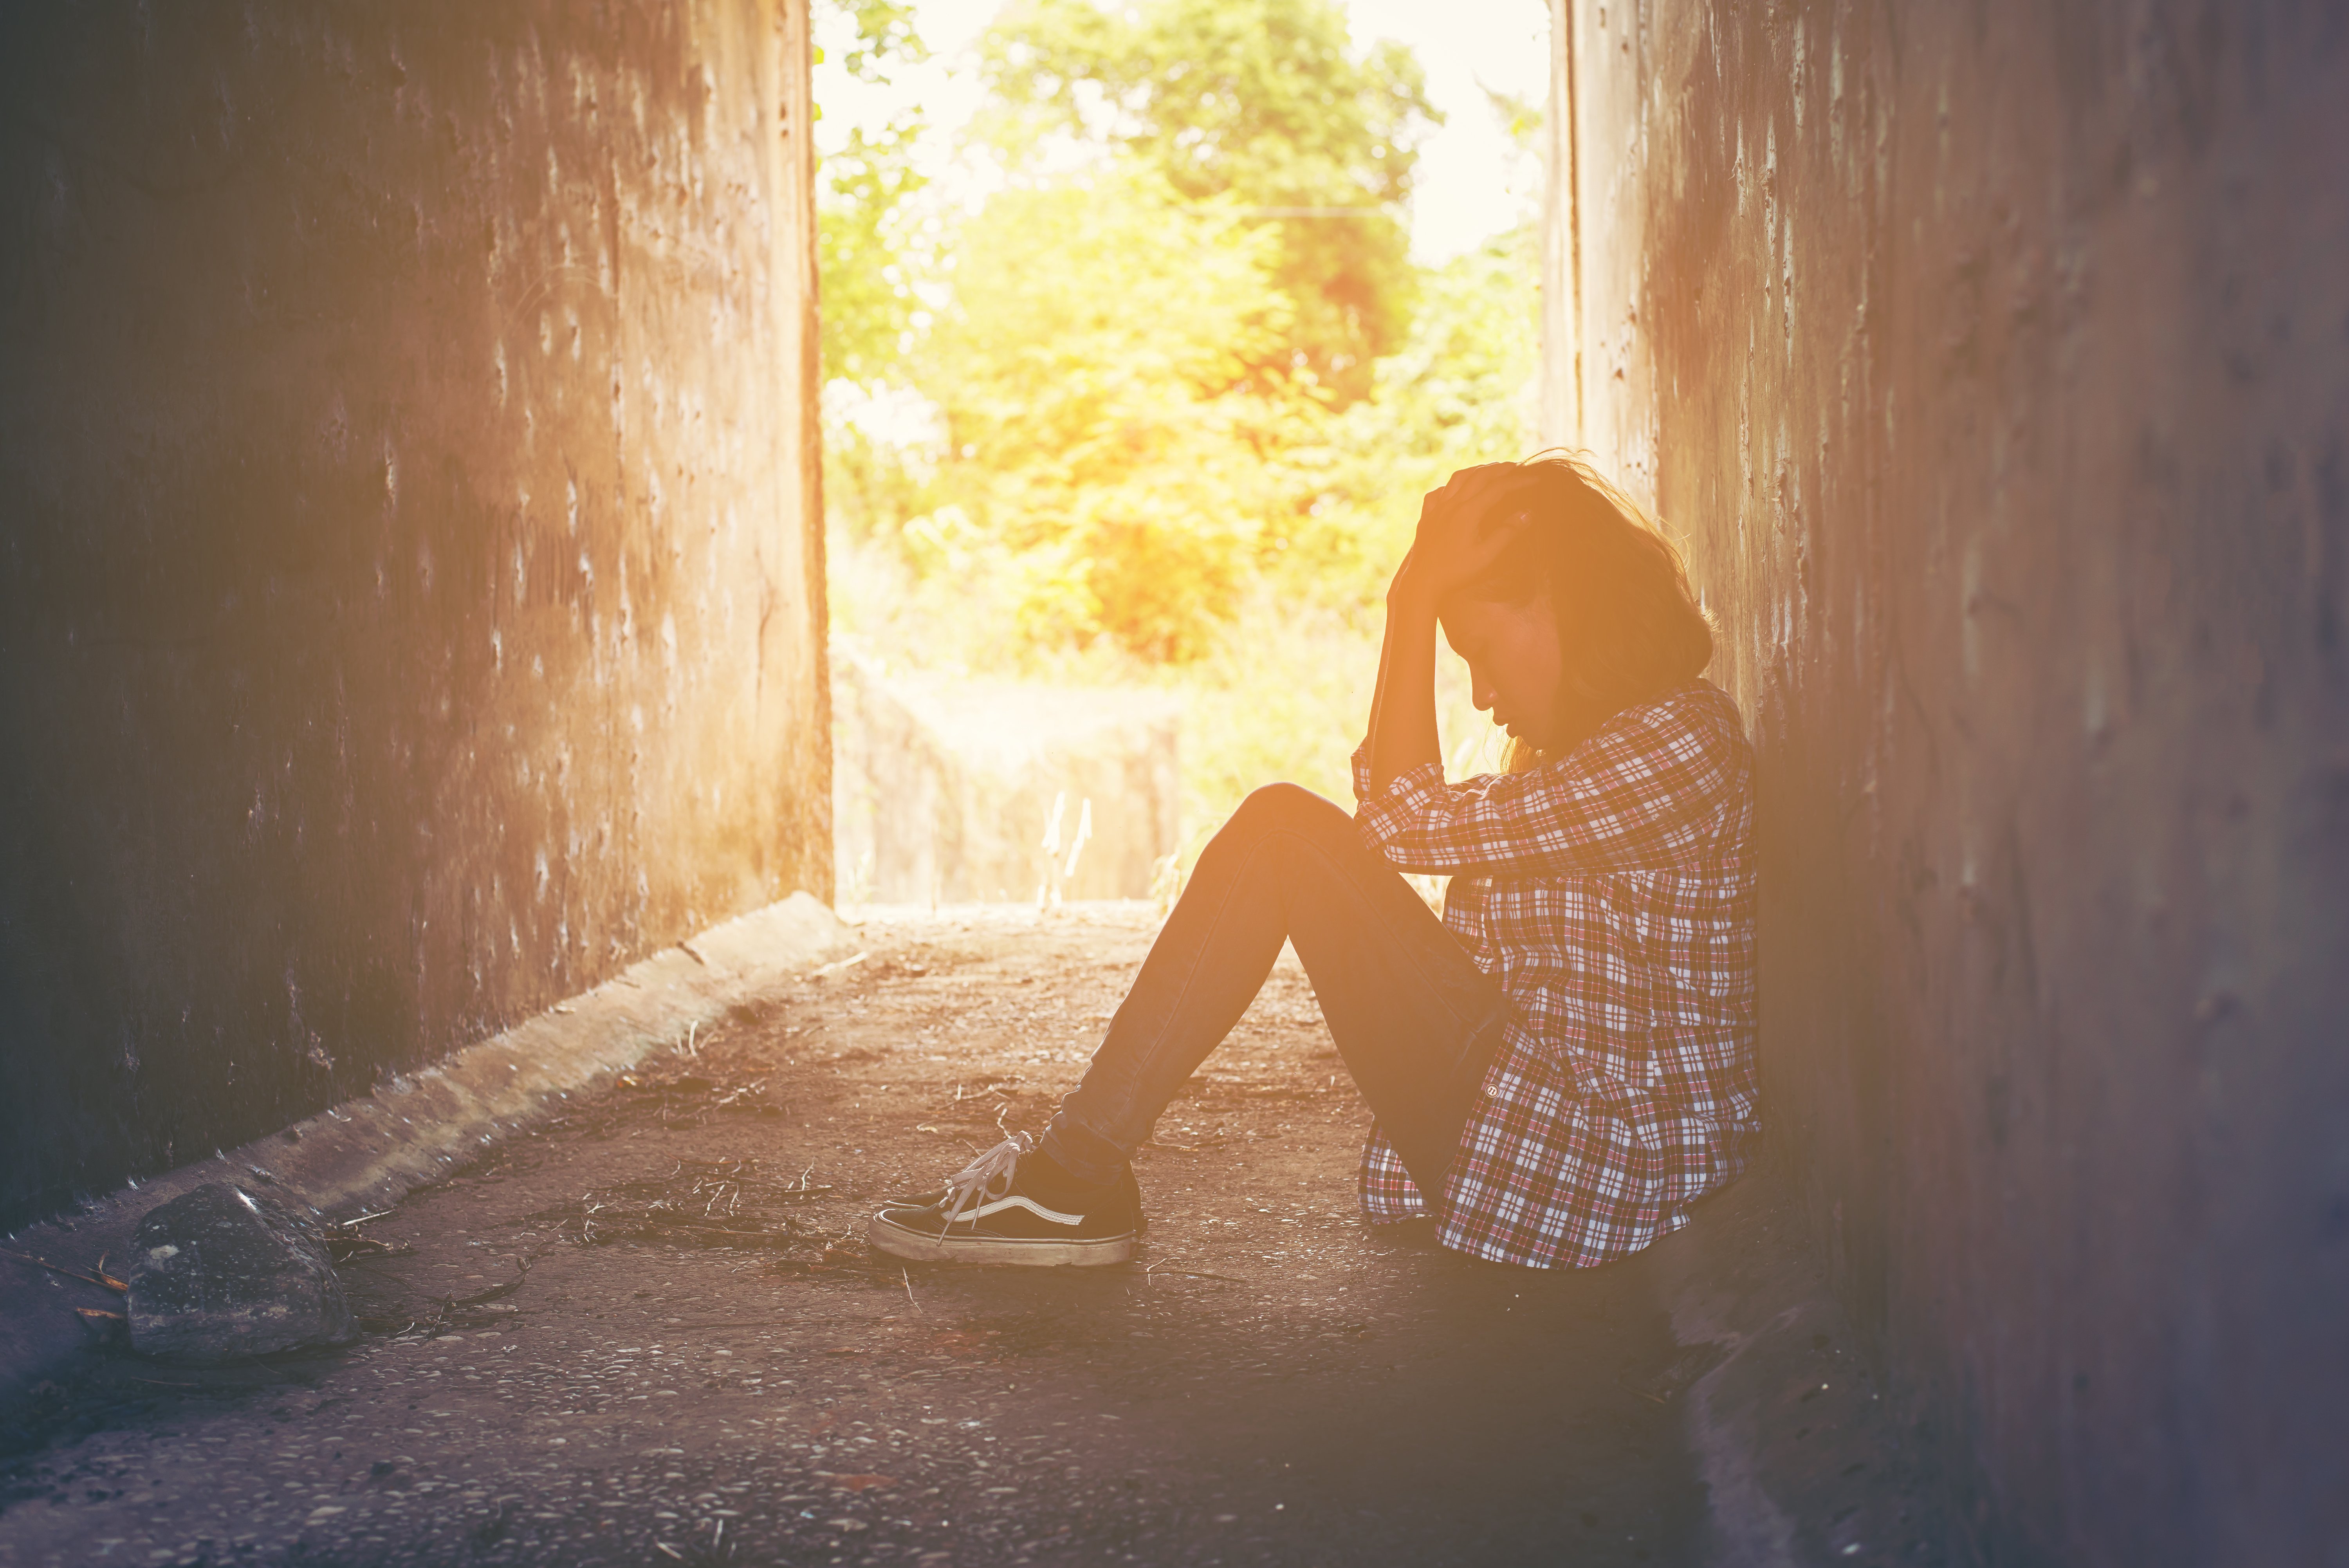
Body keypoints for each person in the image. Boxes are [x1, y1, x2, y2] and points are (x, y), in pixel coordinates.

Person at [868, 453, 1757, 1271]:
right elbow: (1399, 817)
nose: (1483, 696)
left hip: (1611, 1157)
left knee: (1284, 835)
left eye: (1481, 653)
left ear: (1567, 602)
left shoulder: (1681, 742)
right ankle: (1072, 1174)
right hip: (1551, 1132)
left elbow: (1399, 825)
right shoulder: (1592, 757)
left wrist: (1411, 603)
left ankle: (1071, 1175)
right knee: (1287, 835)